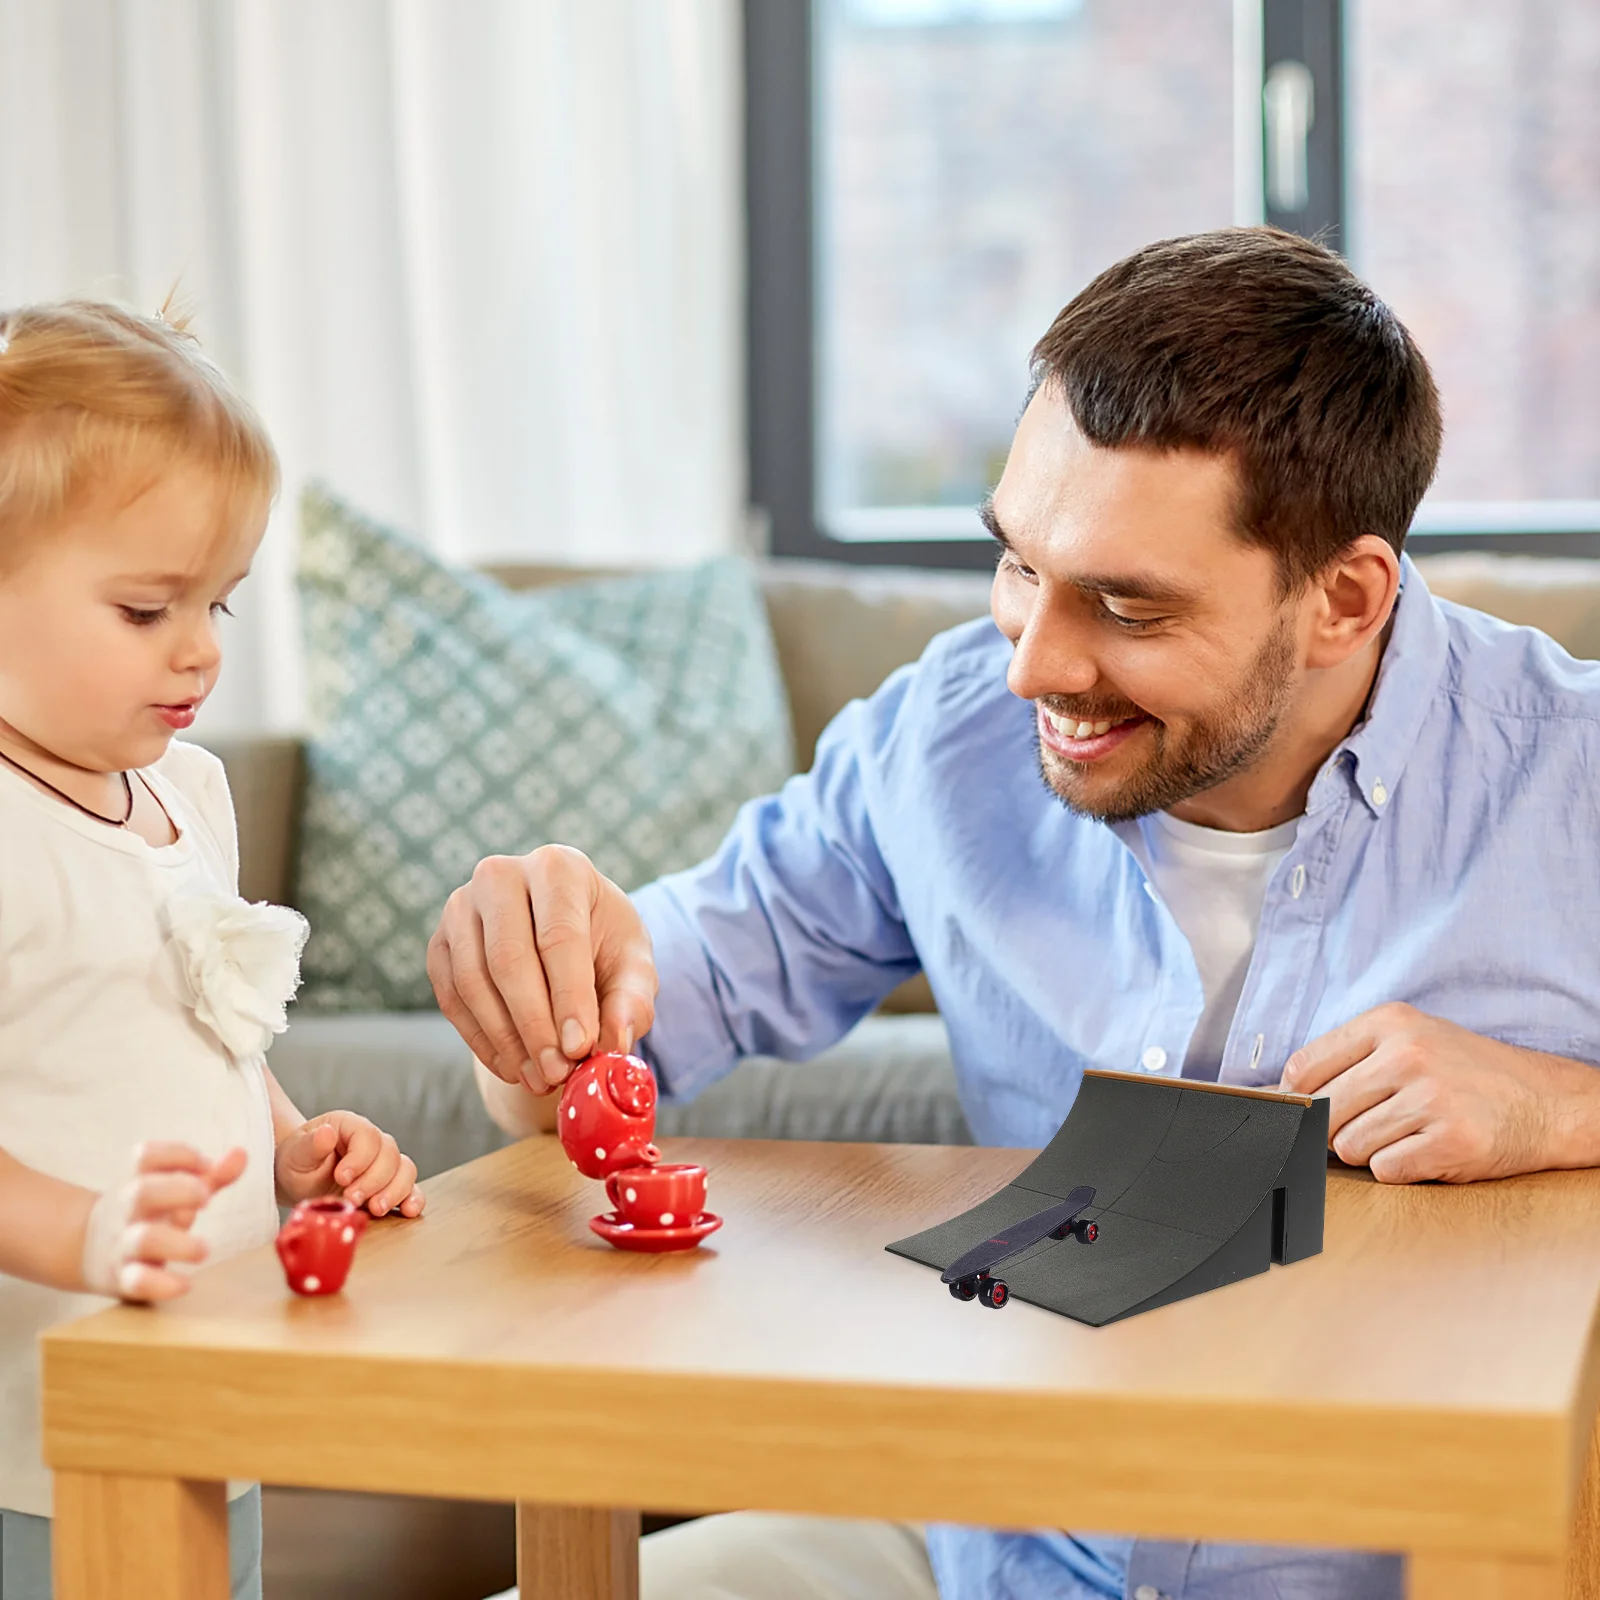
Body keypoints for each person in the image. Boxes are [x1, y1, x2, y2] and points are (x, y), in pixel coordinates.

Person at [430, 228, 1600, 1599]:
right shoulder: (941, 738)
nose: (1033, 666)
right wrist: (540, 983)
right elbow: (597, 1056)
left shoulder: (1570, 772)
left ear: (1344, 600)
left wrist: (1569, 1111)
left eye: (1126, 607)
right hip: (1002, 1553)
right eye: (1019, 566)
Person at [0, 301, 427, 1600]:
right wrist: (85, 1235)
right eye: (146, 610)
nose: (200, 651)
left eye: (219, 602)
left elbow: (206, 1025)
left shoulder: (189, 793)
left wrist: (292, 1146)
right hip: (41, 1432)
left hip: (207, 1383)